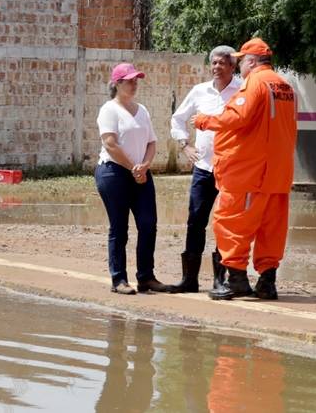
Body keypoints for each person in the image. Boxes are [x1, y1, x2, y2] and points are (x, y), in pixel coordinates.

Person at [194, 38, 297, 300]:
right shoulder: (285, 86)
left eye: (241, 61)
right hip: (277, 174)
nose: (239, 66)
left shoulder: (255, 83)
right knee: (271, 228)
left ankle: (237, 280)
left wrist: (204, 120)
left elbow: (238, 117)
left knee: (232, 223)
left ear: (251, 61)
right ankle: (267, 281)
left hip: (250, 174)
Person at [166, 46, 242, 293]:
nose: (217, 67)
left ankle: (221, 280)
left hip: (232, 168)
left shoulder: (242, 90)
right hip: (203, 168)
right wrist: (184, 145)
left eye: (223, 63)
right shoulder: (200, 91)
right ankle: (190, 279)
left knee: (225, 224)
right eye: (214, 63)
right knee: (195, 220)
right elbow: (178, 119)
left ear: (233, 66)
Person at [95, 63, 169, 295]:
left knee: (148, 224)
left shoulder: (142, 110)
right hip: (114, 173)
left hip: (141, 173)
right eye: (129, 80)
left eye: (136, 80)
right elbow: (110, 143)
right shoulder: (109, 109)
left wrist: (144, 166)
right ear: (117, 84)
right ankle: (119, 280)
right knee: (120, 228)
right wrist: (133, 168)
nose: (134, 84)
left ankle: (146, 277)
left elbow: (151, 142)